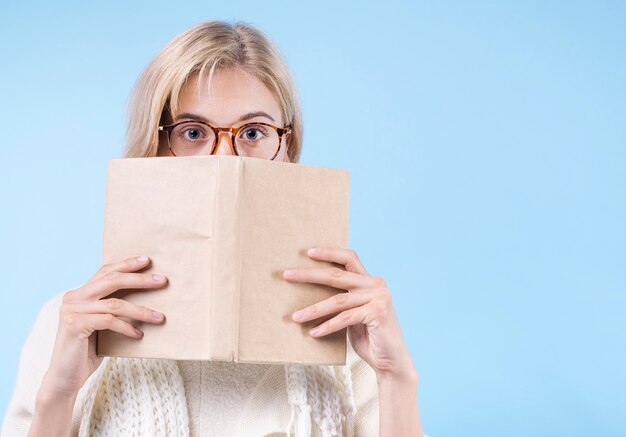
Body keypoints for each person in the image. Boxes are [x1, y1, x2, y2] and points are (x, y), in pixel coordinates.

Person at [1, 21, 424, 437]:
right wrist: (57, 392)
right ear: (153, 148)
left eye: (254, 132)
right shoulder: (74, 324)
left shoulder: (344, 332)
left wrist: (395, 377)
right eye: (192, 131)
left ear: (287, 149)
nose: (224, 157)